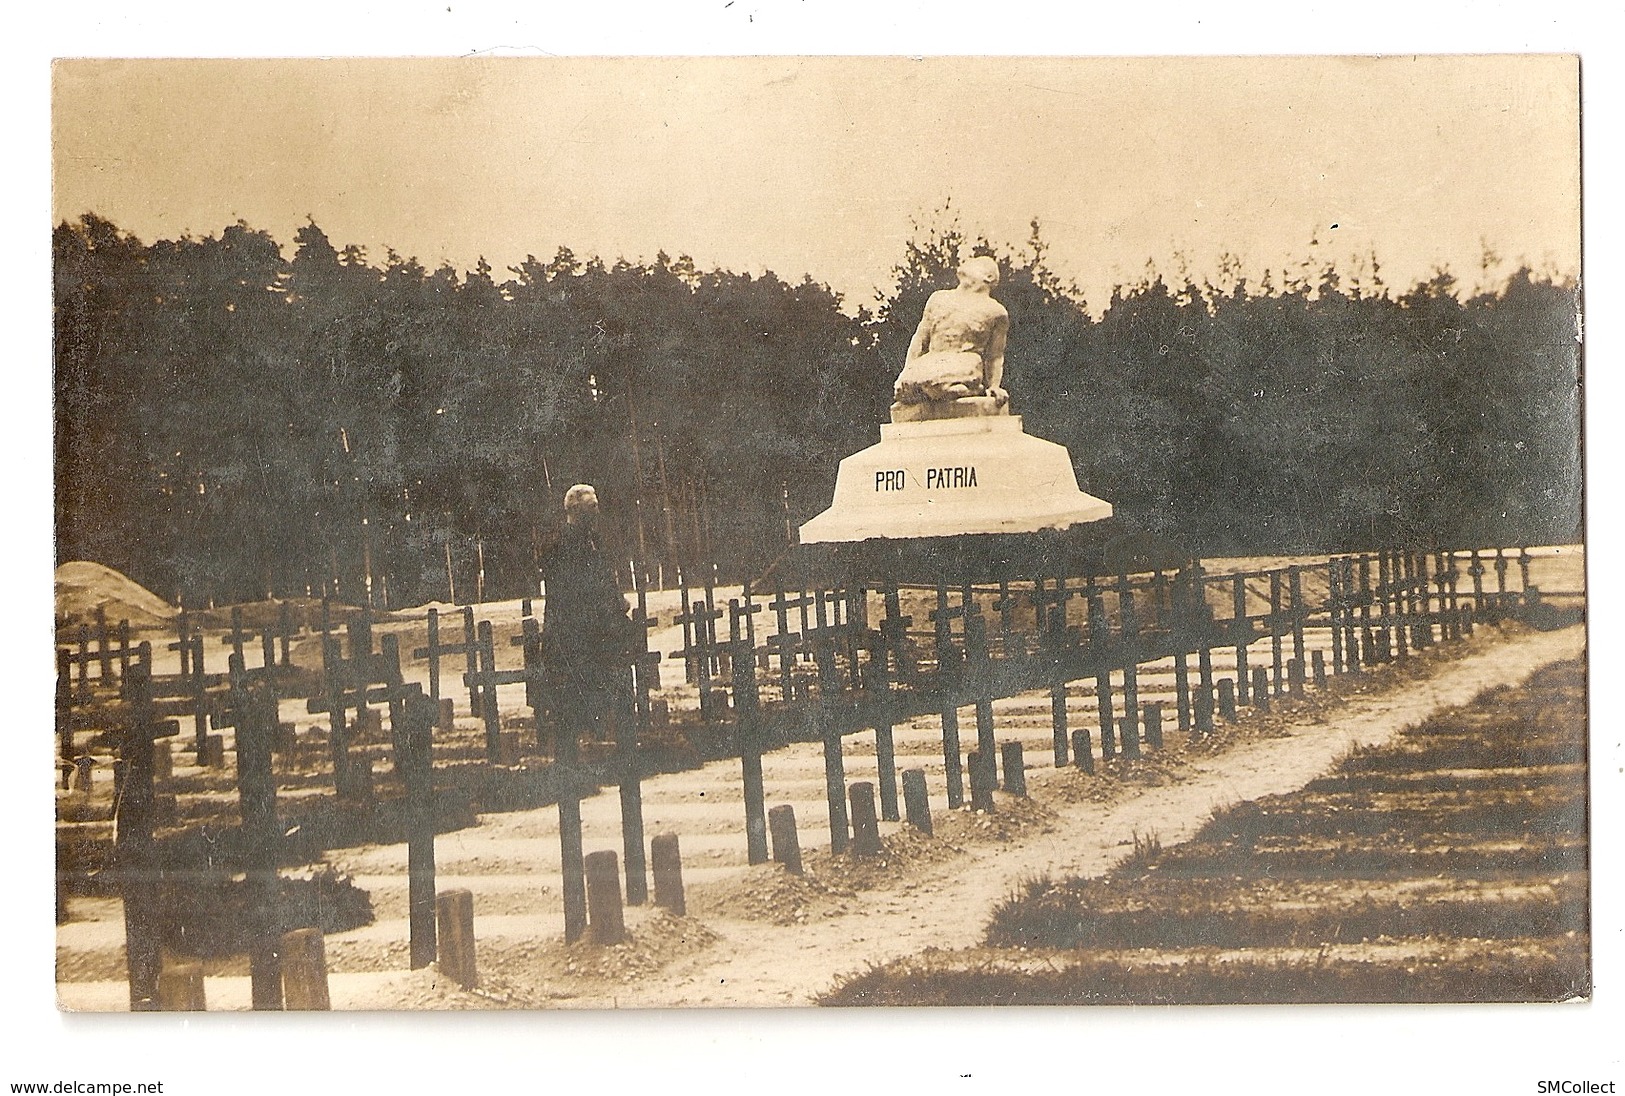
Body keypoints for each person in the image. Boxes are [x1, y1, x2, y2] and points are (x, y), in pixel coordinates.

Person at [539, 484, 632, 742]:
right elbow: (571, 589)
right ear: (575, 510)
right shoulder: (560, 543)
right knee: (576, 690)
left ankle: (604, 735)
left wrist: (617, 600)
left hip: (597, 627)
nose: (597, 512)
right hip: (572, 630)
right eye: (592, 507)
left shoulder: (594, 540)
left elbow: (605, 578)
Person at [893, 255, 1011, 408]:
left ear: (988, 276)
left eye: (975, 264)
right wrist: (906, 370)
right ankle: (944, 389)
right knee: (906, 386)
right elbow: (920, 339)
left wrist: (994, 386)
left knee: (934, 381)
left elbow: (995, 355)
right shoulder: (938, 298)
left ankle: (955, 388)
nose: (966, 263)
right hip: (932, 360)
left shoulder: (995, 311)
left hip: (964, 361)